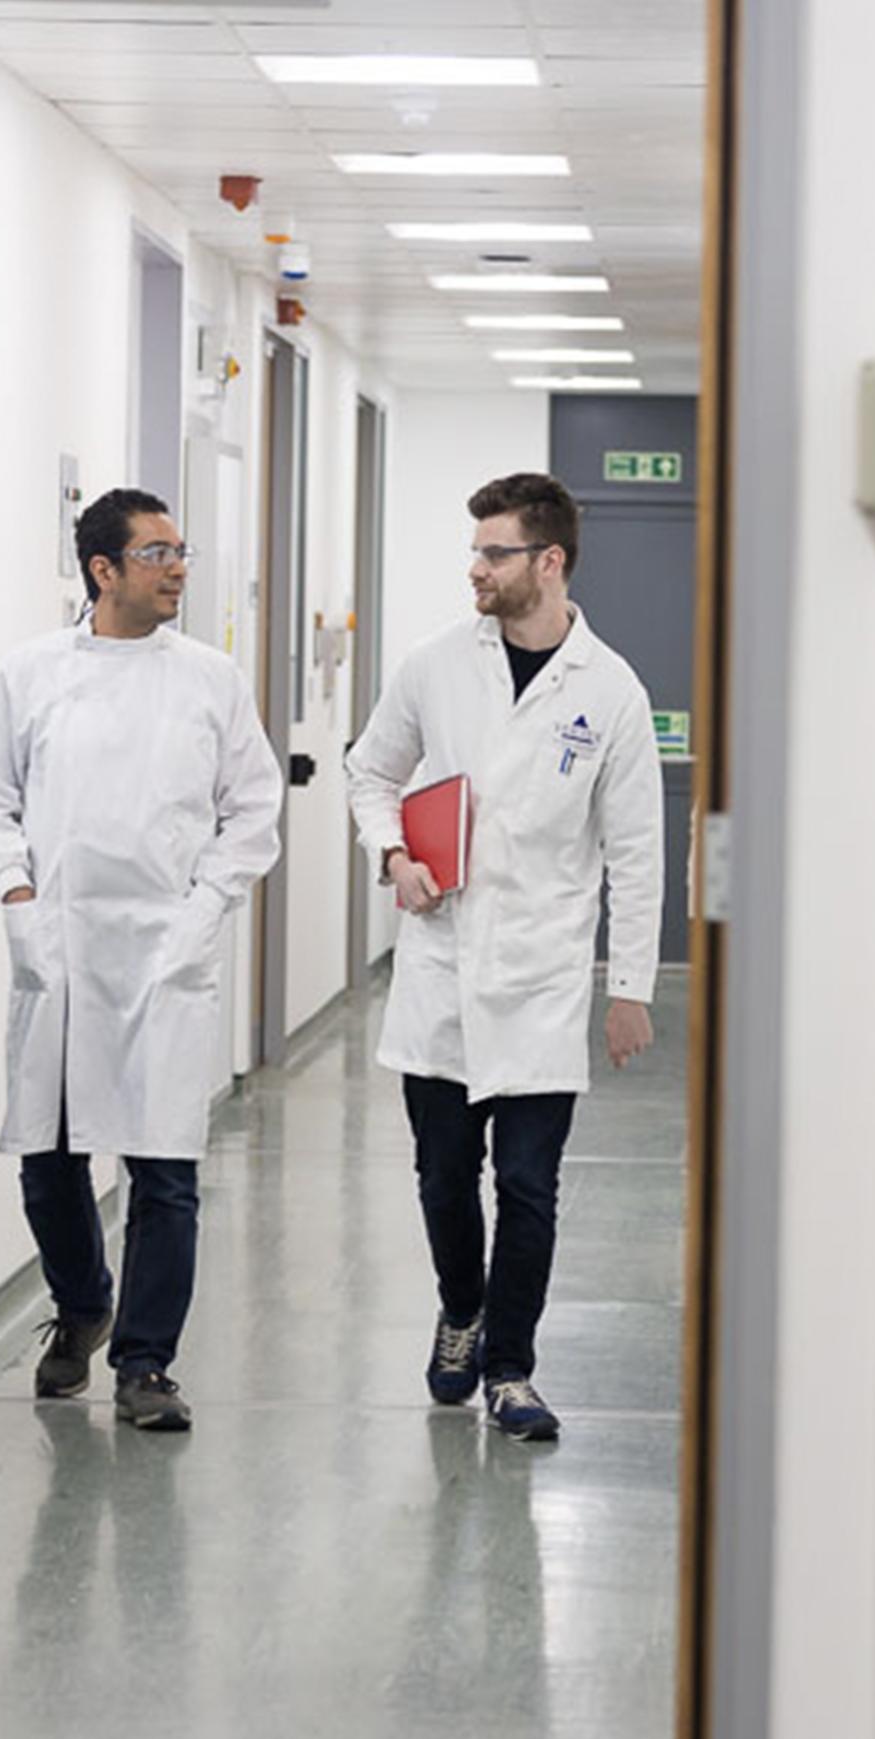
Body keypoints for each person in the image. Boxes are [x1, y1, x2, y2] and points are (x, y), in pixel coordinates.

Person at [345, 472, 664, 1442]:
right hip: (442, 964)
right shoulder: (437, 665)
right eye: (476, 550)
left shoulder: (609, 691)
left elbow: (638, 850)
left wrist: (630, 990)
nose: (476, 568)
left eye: (495, 553)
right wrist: (392, 854)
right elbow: (371, 769)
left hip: (542, 976)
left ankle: (512, 1367)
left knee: (528, 1188)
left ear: (549, 562)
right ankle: (460, 1312)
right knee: (445, 1179)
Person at [0, 488, 282, 1431]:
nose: (178, 567)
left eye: (181, 550)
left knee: (164, 1168)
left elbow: (251, 808)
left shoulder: (212, 680)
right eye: (156, 553)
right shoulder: (29, 674)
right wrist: (15, 891)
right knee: (50, 1163)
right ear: (103, 571)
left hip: (165, 949)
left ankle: (146, 1365)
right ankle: (83, 1301)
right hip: (57, 950)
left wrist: (206, 906)